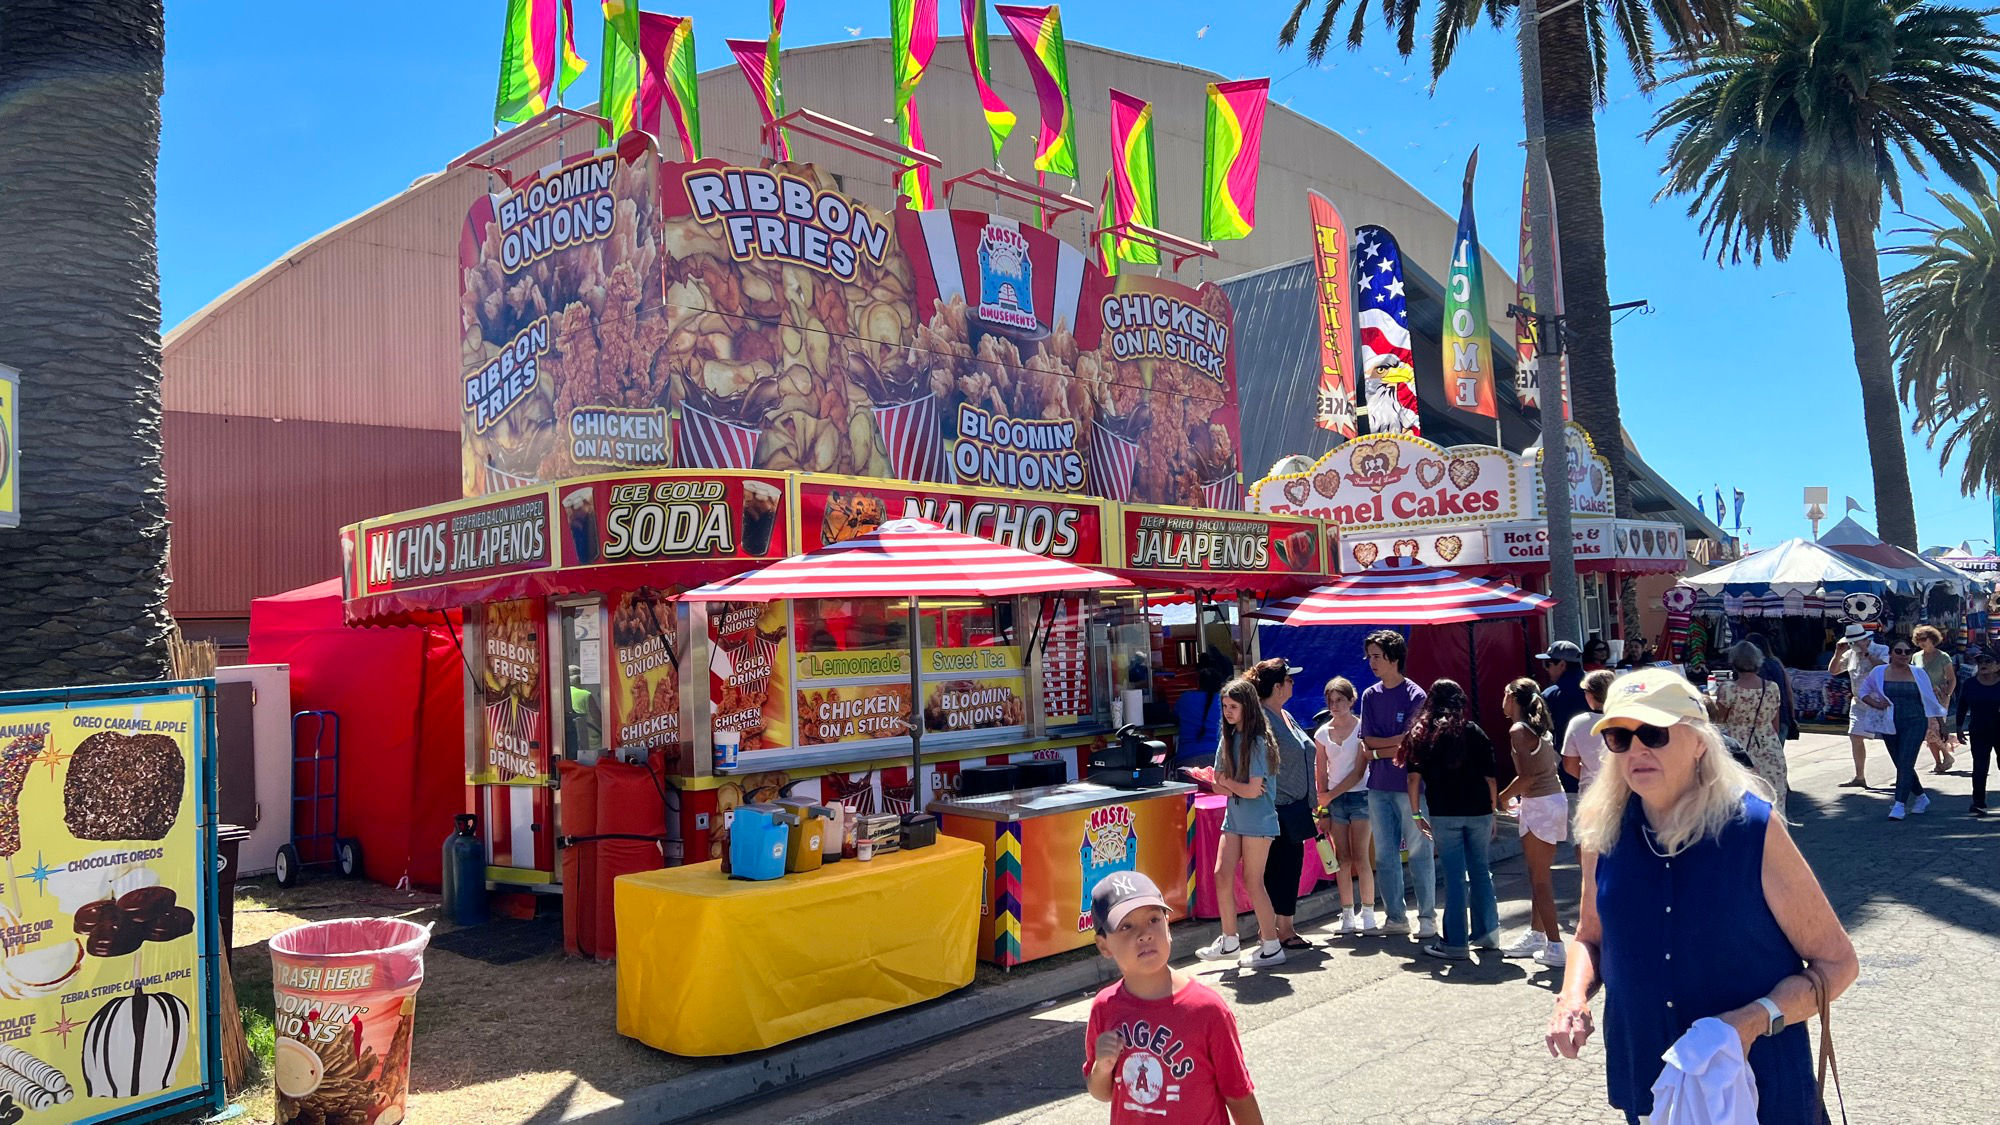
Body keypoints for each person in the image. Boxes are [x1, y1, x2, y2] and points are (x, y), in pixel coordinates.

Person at [1547, 668, 1858, 1125]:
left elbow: (1837, 965)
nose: (1637, 749)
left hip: (1755, 1088)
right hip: (1653, 1086)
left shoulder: (1752, 829)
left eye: (1653, 733)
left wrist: (1752, 1021)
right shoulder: (1602, 830)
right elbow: (1589, 936)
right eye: (1619, 737)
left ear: (1698, 742)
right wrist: (1571, 998)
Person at [1085, 872, 1263, 1124]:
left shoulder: (1207, 1009)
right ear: (1104, 945)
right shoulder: (1105, 1007)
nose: (1144, 934)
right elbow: (1102, 1092)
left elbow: (1238, 1094)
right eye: (1126, 926)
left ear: (1168, 925)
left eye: (1154, 919)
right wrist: (1102, 1067)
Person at [1403, 680, 1499, 961]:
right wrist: (1493, 810)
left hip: (1445, 813)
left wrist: (1417, 814)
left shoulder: (1422, 734)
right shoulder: (1474, 731)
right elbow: (1490, 777)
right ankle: (1488, 933)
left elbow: (1413, 779)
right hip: (1479, 810)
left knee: (1455, 877)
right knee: (1481, 871)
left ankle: (1456, 943)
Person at [1193, 678, 1284, 967]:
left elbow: (1242, 788)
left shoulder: (1258, 742)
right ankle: (1229, 940)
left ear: (1248, 707)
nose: (1228, 711)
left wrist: (1229, 785)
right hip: (1234, 819)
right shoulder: (1227, 738)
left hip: (1259, 822)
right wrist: (1236, 786)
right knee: (1222, 874)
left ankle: (1272, 946)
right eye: (1225, 706)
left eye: (1233, 706)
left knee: (1252, 882)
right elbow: (1223, 786)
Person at [1359, 629, 1437, 939]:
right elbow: (1367, 743)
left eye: (1376, 656)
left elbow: (1414, 744)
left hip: (1410, 788)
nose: (1371, 662)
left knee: (1420, 852)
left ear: (1393, 658)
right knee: (1384, 855)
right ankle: (1395, 916)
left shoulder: (1416, 695)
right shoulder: (1369, 695)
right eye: (1369, 657)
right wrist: (1390, 745)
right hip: (1378, 786)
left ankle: (1428, 917)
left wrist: (1381, 748)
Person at [1497, 678, 1567, 967]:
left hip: (1540, 804)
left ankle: (1556, 946)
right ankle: (1538, 935)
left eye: (1504, 695)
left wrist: (1503, 797)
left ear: (1512, 697)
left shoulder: (1518, 730)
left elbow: (1526, 776)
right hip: (1550, 801)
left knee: (1540, 880)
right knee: (1538, 875)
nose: (1501, 701)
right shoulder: (1541, 729)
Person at [1250, 658, 1318, 951]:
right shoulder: (1262, 720)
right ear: (1277, 687)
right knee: (1278, 869)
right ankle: (1277, 929)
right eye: (1289, 680)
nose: (1293, 683)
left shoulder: (1285, 715)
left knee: (1289, 866)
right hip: (1276, 806)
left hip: (1296, 805)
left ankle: (1280, 927)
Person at [1856, 637, 1949, 820]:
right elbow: (1862, 692)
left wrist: (1942, 724)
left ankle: (1899, 805)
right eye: (1899, 651)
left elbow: (1930, 699)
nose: (1903, 655)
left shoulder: (1918, 673)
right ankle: (1921, 797)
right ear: (1891, 654)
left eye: (1907, 652)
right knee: (1901, 763)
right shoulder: (1879, 672)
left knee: (1906, 762)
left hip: (1915, 722)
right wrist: (1875, 703)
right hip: (1890, 724)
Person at [1314, 677, 1378, 935]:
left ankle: (1370, 912)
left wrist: (1329, 795)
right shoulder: (1321, 733)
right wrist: (1324, 805)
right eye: (1331, 701)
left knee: (1361, 856)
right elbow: (1321, 771)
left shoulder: (1363, 728)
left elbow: (1359, 771)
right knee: (1342, 858)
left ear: (1352, 700)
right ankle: (1348, 913)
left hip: (1361, 795)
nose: (1336, 705)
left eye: (1340, 699)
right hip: (1334, 801)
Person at [1713, 641, 1789, 822]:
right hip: (1769, 747)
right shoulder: (1771, 688)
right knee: (1773, 798)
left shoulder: (1728, 689)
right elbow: (1775, 724)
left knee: (1740, 799)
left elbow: (1719, 721)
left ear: (1735, 662)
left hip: (1739, 748)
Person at [1828, 623, 1887, 787]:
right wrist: (1838, 653)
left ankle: (1903, 773)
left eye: (1855, 642)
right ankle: (1859, 776)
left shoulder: (1881, 649)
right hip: (1859, 702)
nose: (1852, 645)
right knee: (1855, 736)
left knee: (1890, 739)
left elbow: (1883, 667)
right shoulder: (1850, 653)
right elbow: (1833, 671)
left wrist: (1866, 653)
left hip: (1879, 701)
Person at [1539, 640, 1589, 795]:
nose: (1546, 669)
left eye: (1548, 664)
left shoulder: (1550, 695)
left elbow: (1542, 733)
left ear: (1562, 664)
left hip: (1567, 770)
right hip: (1601, 766)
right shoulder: (1599, 686)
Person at [1958, 649, 2000, 815]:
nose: (1983, 665)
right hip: (1978, 730)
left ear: (1997, 666)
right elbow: (1962, 705)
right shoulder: (1970, 684)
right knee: (1980, 766)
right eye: (1980, 662)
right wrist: (1959, 727)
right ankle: (1978, 802)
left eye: (1988, 661)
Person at [1561, 670, 1618, 792]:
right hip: (1624, 790)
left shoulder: (1578, 723)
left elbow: (1569, 765)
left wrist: (1591, 776)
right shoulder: (1629, 719)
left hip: (1591, 792)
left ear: (1590, 694)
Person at [1912, 625, 1958, 774]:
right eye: (1918, 640)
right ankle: (1938, 763)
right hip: (1921, 697)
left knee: (1934, 728)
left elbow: (1951, 679)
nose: (1921, 642)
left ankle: (1947, 756)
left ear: (1932, 639)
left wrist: (1947, 695)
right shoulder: (1916, 656)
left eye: (1924, 639)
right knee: (1927, 731)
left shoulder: (1943, 656)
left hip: (1939, 696)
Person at [1743, 630, 1799, 742]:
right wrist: (1792, 716)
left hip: (1763, 721)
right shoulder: (1776, 663)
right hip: (1783, 717)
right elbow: (1788, 691)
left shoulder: (1752, 668)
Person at [1174, 661, 1227, 768]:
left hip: (1188, 758)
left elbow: (1174, 717)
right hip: (1219, 757)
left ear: (1198, 683)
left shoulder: (1185, 698)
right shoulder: (1226, 702)